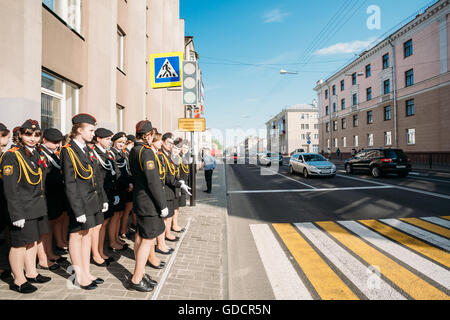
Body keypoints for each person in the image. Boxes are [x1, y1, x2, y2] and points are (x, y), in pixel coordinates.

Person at [1, 120, 52, 294]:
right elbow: (10, 188)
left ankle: (31, 272)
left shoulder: (35, 153)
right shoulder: (12, 155)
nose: (32, 138)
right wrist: (16, 214)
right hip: (22, 208)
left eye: (36, 135)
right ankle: (18, 280)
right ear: (21, 135)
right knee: (19, 245)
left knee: (32, 242)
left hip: (35, 206)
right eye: (28, 134)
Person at [61, 113, 108, 290]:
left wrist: (102, 197)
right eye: (90, 130)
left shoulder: (87, 148)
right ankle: (78, 275)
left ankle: (87, 271)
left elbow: (96, 176)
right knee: (76, 236)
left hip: (92, 200)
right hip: (79, 202)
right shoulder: (68, 150)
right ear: (79, 130)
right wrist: (77, 209)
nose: (93, 134)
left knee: (87, 235)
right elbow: (70, 183)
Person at [128, 120, 167, 292]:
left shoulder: (134, 150)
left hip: (140, 199)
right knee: (147, 240)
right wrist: (162, 204)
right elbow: (153, 182)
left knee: (139, 236)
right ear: (148, 135)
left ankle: (141, 272)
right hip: (149, 202)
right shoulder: (146, 152)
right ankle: (136, 278)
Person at [91, 128, 123, 268]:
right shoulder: (94, 153)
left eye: (110, 139)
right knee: (98, 225)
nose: (109, 142)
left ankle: (101, 251)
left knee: (104, 223)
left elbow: (112, 173)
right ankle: (96, 254)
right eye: (106, 139)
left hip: (109, 192)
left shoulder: (106, 153)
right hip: (100, 193)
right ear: (98, 139)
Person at [37, 128, 68, 270]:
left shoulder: (51, 153)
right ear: (44, 140)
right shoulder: (40, 153)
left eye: (58, 142)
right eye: (54, 142)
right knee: (45, 228)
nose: (57, 144)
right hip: (46, 196)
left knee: (51, 225)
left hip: (55, 194)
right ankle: (43, 258)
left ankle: (49, 252)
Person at [160, 133, 191, 243]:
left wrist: (181, 182)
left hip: (174, 186)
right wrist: (180, 183)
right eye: (174, 147)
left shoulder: (176, 157)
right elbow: (169, 176)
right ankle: (164, 236)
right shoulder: (164, 156)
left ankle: (167, 233)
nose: (176, 150)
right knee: (168, 214)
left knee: (171, 212)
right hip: (168, 188)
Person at [110, 132, 133, 244]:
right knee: (115, 216)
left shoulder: (122, 153)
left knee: (120, 214)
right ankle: (112, 241)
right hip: (116, 188)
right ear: (114, 141)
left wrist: (129, 183)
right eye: (119, 142)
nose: (121, 144)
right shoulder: (111, 153)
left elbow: (126, 171)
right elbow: (117, 173)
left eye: (123, 143)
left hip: (123, 188)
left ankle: (116, 238)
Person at [171, 138, 191, 233]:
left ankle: (175, 223)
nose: (185, 149)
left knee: (178, 206)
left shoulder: (184, 156)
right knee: (175, 206)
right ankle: (174, 225)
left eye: (187, 147)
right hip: (178, 183)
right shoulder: (177, 156)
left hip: (182, 183)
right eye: (184, 147)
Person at [0, 123, 11, 280]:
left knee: (3, 236)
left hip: (4, 200)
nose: (8, 139)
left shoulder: (6, 155)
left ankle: (3, 265)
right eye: (5, 136)